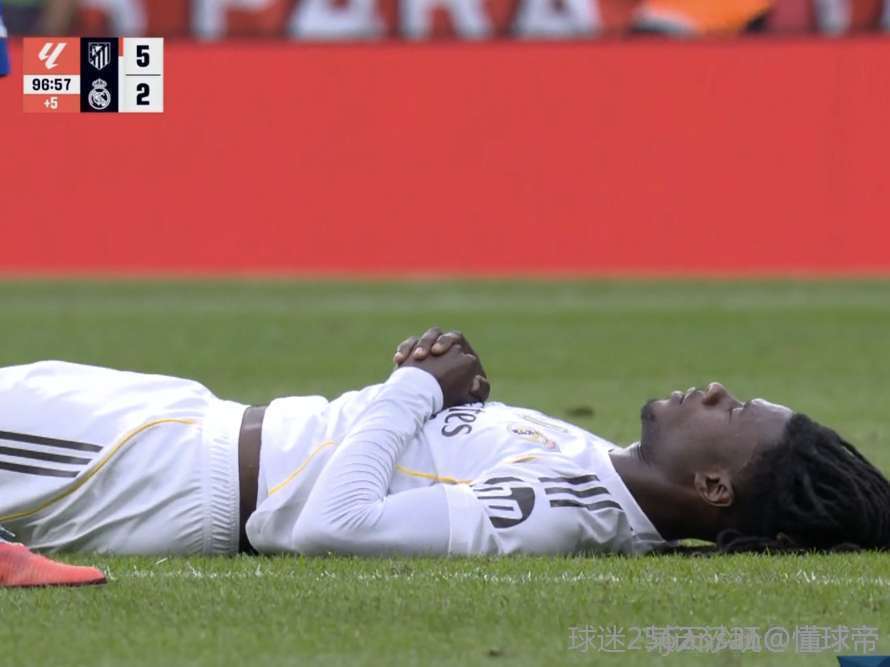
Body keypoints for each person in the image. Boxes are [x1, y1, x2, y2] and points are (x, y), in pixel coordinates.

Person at [1, 328, 888, 567]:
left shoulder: (555, 512)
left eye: (738, 412)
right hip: (179, 420)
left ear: (715, 485)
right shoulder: (600, 467)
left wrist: (414, 390)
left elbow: (330, 525)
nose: (718, 390)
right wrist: (443, 386)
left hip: (151, 471)